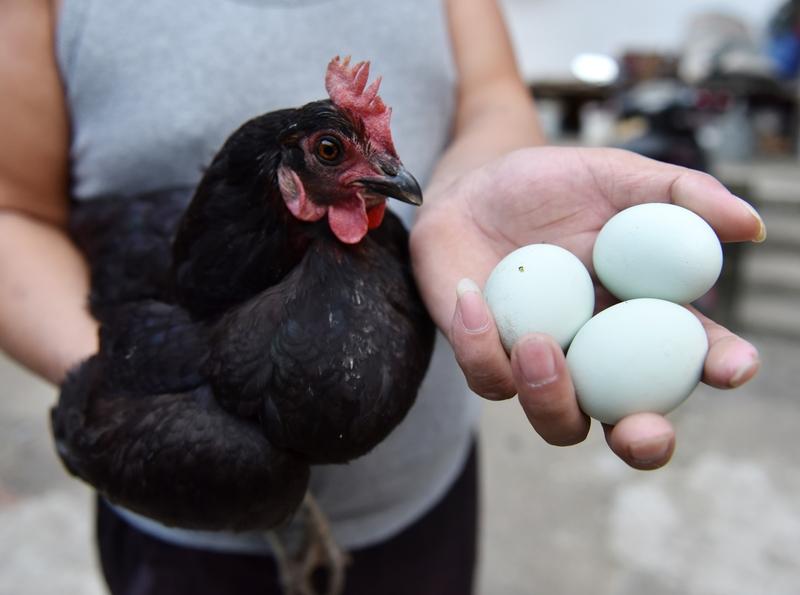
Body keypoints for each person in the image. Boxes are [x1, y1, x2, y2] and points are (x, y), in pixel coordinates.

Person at [0, 1, 764, 594]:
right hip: (188, 539)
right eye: (333, 153)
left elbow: (494, 99)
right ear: (286, 182)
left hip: (422, 496)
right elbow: (11, 210)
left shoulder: (369, 238)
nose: (395, 176)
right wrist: (154, 407)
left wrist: (477, 187)